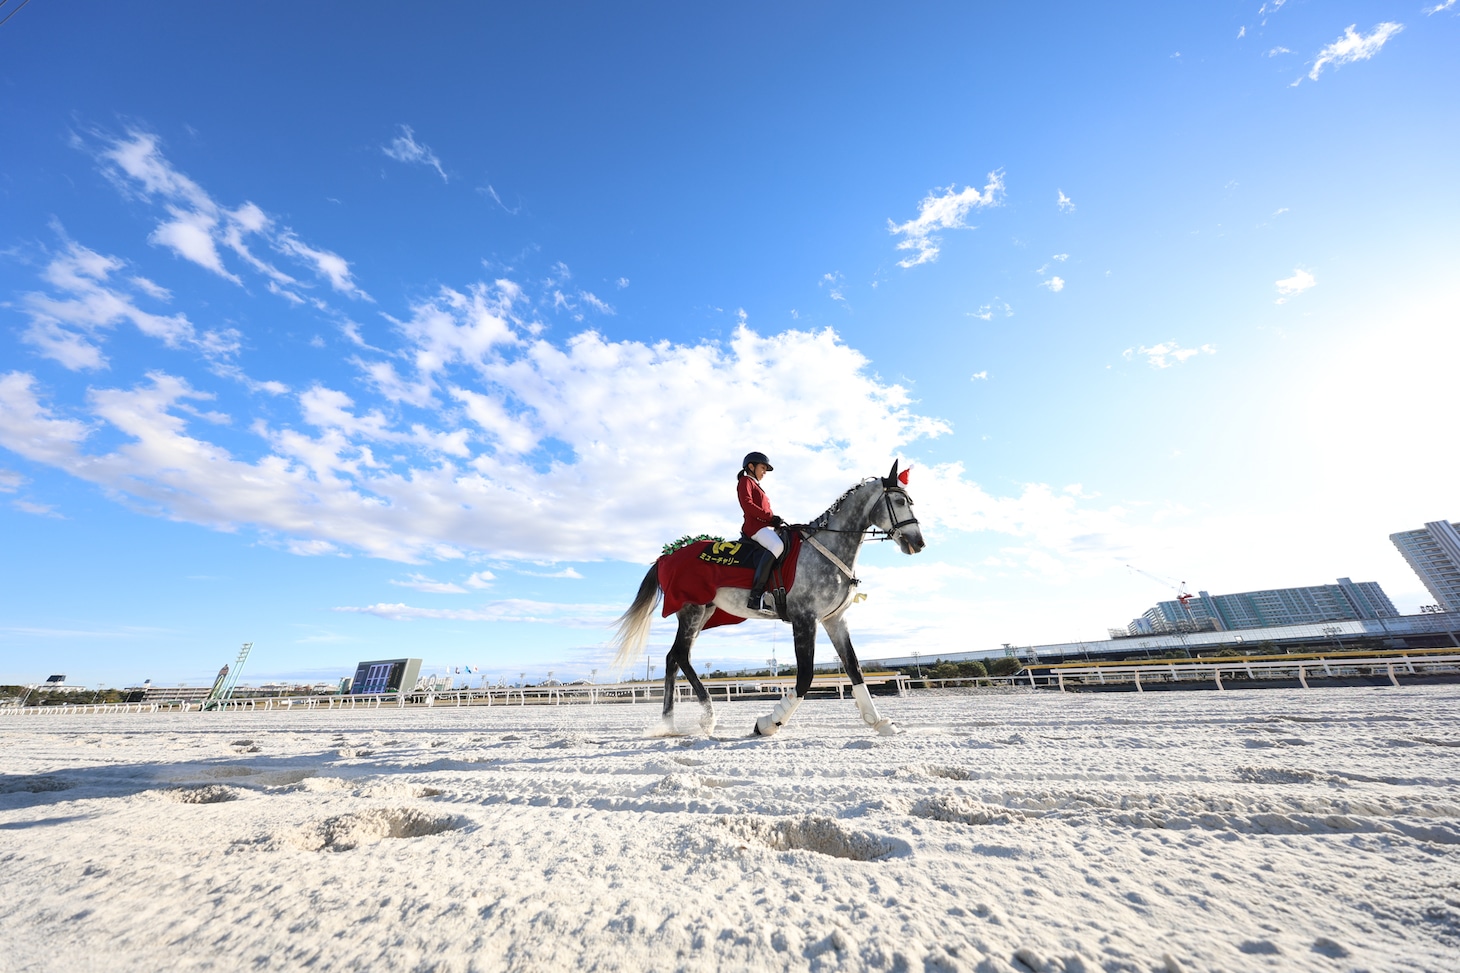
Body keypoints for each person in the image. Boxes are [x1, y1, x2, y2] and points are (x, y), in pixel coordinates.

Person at [737, 451, 785, 610]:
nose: (764, 472)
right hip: (754, 528)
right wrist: (771, 517)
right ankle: (756, 595)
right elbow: (748, 505)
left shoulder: (756, 485)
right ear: (751, 466)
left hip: (764, 526)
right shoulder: (745, 481)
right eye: (762, 468)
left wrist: (775, 522)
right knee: (777, 546)